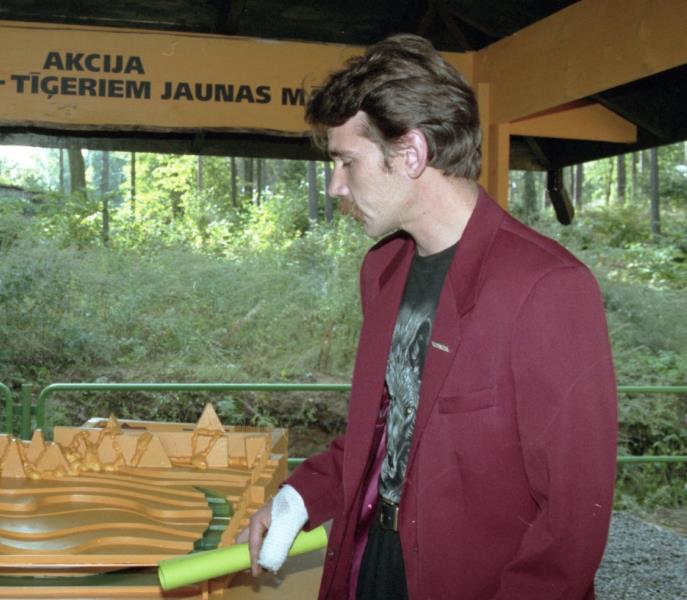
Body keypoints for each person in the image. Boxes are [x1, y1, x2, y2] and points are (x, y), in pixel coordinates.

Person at [237, 33, 617, 600]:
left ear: (411, 153)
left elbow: (571, 523)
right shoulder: (383, 271)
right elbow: (391, 425)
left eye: (346, 161)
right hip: (372, 558)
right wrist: (300, 496)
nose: (335, 185)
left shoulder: (547, 288)